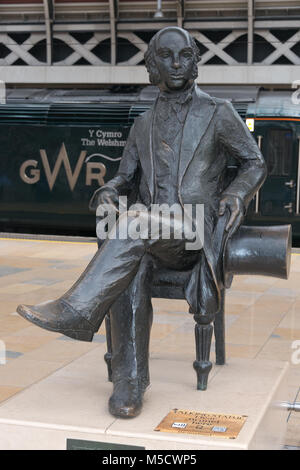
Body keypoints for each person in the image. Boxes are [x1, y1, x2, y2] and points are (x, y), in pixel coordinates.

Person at [17, 26, 267, 419]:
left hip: (194, 231)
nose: (176, 64)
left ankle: (77, 310)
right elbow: (124, 177)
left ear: (195, 60)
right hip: (148, 235)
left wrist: (235, 194)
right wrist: (109, 189)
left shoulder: (219, 113)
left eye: (184, 55)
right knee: (130, 259)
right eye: (166, 57)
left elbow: (254, 163)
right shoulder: (142, 125)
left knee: (131, 225)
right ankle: (130, 383)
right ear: (152, 66)